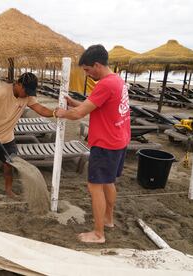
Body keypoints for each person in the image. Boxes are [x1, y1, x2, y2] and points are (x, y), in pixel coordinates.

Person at [55, 45, 131, 243]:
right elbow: (94, 106)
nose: (87, 75)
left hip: (105, 143)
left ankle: (98, 234)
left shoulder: (105, 84)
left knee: (94, 186)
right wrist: (74, 103)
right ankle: (108, 220)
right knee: (108, 181)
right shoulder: (117, 80)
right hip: (119, 140)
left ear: (97, 65)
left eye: (88, 70)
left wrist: (62, 113)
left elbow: (79, 115)